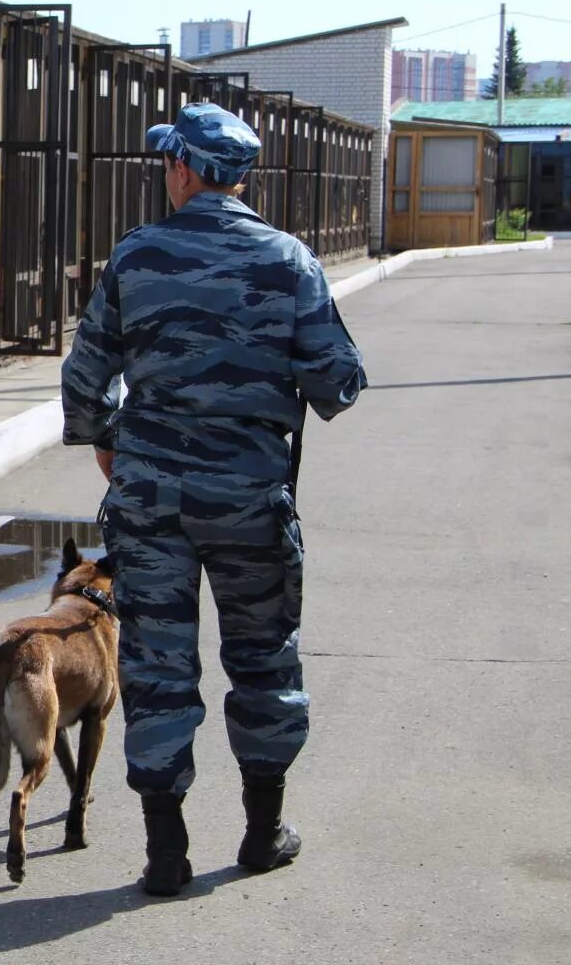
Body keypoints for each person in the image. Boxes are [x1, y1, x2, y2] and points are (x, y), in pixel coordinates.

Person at [60, 102, 367, 897]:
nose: (167, 174)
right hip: (251, 502)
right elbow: (339, 382)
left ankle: (166, 855)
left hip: (151, 501)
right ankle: (264, 834)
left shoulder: (135, 258)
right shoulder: (289, 260)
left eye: (169, 163)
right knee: (263, 661)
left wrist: (106, 440)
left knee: (158, 670)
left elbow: (84, 377)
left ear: (186, 170)